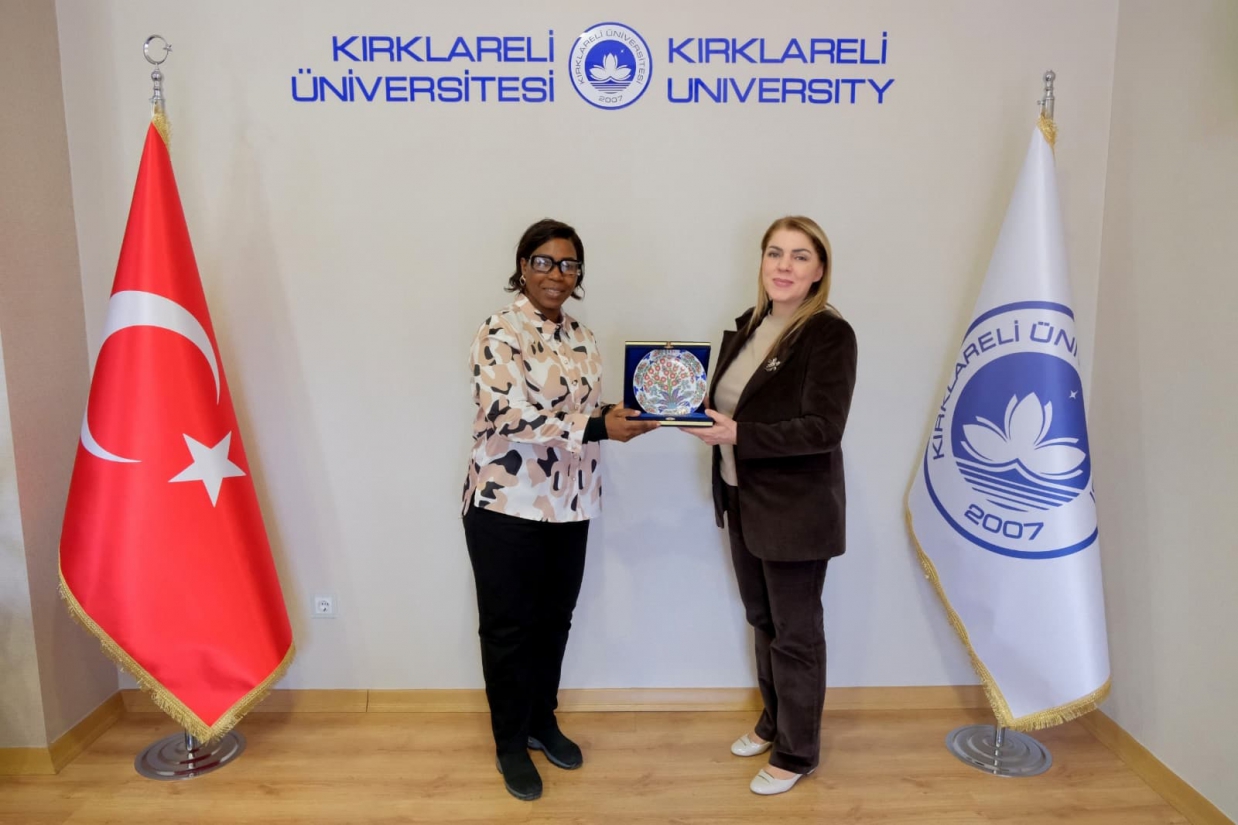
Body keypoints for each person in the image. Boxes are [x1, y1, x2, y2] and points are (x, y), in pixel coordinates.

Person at [461, 218, 657, 801]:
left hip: (570, 504)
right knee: (508, 629)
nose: (557, 274)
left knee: (554, 622)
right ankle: (509, 742)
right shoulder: (499, 330)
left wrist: (631, 411)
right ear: (523, 267)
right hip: (507, 504)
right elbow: (506, 415)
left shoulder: (583, 336)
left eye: (569, 264)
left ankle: (541, 722)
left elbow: (580, 409)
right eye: (544, 262)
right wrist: (597, 426)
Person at [683, 215, 858, 795]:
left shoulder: (829, 334)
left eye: (800, 256)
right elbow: (733, 405)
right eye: (775, 253)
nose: (784, 265)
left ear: (819, 270)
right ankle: (774, 720)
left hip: (795, 512)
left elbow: (823, 429)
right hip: (741, 498)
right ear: (761, 261)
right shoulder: (750, 326)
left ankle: (797, 751)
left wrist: (739, 435)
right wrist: (684, 411)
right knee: (762, 620)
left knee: (796, 634)